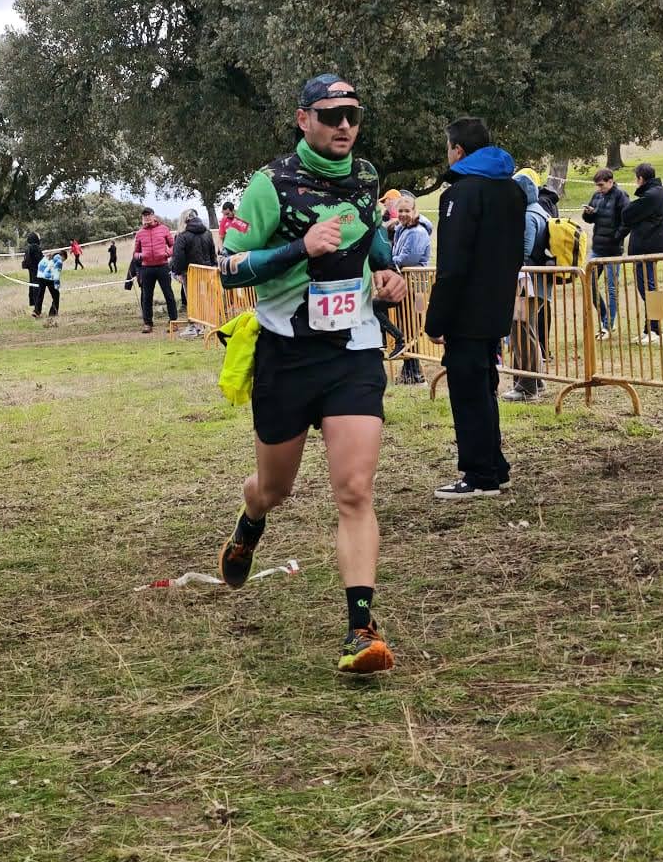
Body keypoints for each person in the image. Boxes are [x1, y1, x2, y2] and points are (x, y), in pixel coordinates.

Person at [218, 74, 404, 674]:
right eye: (330, 115)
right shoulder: (269, 186)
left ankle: (361, 630)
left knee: (355, 490)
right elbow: (227, 268)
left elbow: (373, 242)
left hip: (353, 349)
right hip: (287, 355)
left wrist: (388, 274)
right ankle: (251, 523)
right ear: (303, 120)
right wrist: (301, 249)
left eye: (353, 114)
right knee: (275, 489)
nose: (344, 125)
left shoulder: (366, 178)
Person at [422, 115, 526, 498]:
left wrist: (436, 319)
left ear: (459, 150)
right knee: (485, 388)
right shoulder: (512, 190)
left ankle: (479, 475)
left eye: (448, 148)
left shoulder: (460, 194)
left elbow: (452, 265)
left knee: (468, 393)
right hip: (496, 305)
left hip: (466, 311)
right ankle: (495, 465)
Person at [505, 169, 555, 401]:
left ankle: (527, 387)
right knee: (527, 330)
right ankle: (535, 381)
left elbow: (522, 253)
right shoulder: (540, 212)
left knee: (522, 332)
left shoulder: (527, 216)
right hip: (537, 283)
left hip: (526, 284)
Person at [622, 161, 663, 343]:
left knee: (649, 289)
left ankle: (656, 331)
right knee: (649, 288)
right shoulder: (662, 193)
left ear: (641, 178)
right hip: (653, 246)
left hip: (645, 248)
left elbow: (627, 214)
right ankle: (649, 329)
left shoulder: (651, 196)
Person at [384, 193, 432, 383]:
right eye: (400, 211)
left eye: (407, 210)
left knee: (411, 327)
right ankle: (410, 371)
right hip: (405, 284)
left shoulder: (417, 232)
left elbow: (408, 259)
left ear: (414, 211)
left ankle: (415, 374)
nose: (403, 214)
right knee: (406, 327)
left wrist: (388, 261)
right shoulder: (402, 229)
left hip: (415, 286)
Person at [581, 166, 630, 336]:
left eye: (601, 185)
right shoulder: (597, 196)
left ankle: (608, 325)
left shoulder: (621, 196)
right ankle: (605, 317)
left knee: (611, 289)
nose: (599, 188)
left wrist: (616, 237)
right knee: (589, 284)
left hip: (613, 251)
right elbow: (590, 219)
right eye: (597, 185)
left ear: (611, 181)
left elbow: (627, 221)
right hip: (597, 249)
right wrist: (588, 213)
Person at [131, 208, 177, 332]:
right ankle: (148, 323)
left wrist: (167, 253)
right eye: (144, 216)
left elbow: (173, 245)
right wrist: (141, 256)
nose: (146, 218)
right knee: (146, 296)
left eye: (148, 215)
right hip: (146, 268)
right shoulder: (140, 233)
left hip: (163, 266)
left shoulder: (164, 229)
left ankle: (173, 322)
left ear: (153, 216)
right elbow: (135, 253)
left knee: (168, 294)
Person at [170, 209, 217, 315]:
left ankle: (196, 321)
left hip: (190, 272)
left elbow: (178, 256)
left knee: (192, 298)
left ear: (184, 219)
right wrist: (214, 265)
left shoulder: (182, 235)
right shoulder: (207, 233)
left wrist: (178, 272)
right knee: (209, 297)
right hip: (207, 270)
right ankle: (211, 318)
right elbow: (212, 252)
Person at [36, 245, 64, 323]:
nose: (63, 261)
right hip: (48, 278)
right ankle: (53, 313)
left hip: (40, 276)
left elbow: (40, 265)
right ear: (63, 256)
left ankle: (36, 311)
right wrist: (57, 284)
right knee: (56, 295)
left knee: (40, 294)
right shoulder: (59, 260)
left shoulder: (48, 255)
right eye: (64, 259)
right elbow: (57, 273)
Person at [21, 230, 45, 316]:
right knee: (38, 291)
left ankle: (36, 309)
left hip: (32, 272)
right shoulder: (35, 247)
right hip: (38, 272)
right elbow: (40, 260)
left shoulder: (28, 248)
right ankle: (37, 311)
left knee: (34, 290)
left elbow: (25, 262)